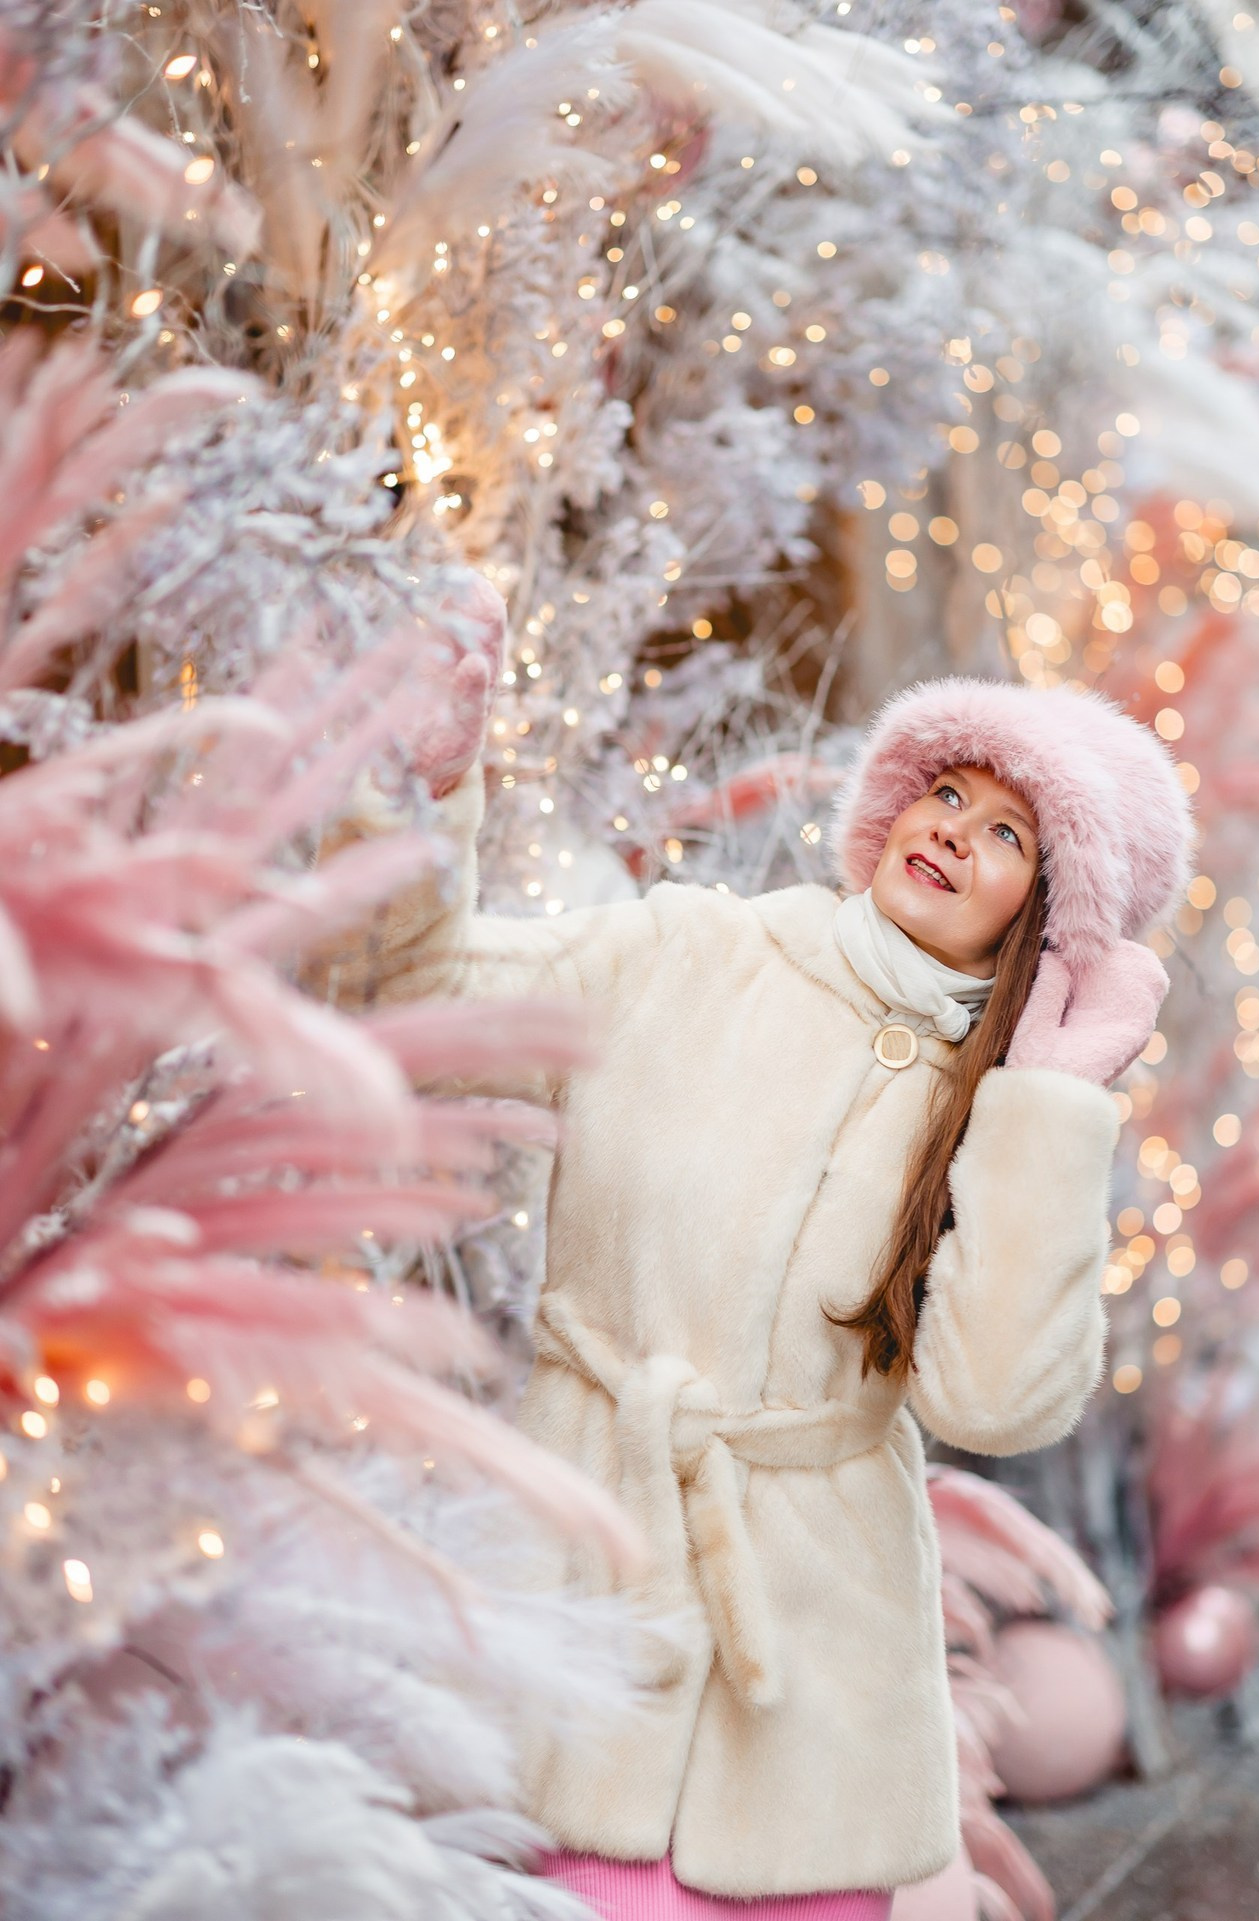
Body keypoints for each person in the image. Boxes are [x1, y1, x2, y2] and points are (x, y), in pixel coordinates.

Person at [314, 591, 1193, 1919]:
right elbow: (409, 996)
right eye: (946, 790)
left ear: (1050, 917)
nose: (954, 827)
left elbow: (995, 1401)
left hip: (815, 1688)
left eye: (1008, 831)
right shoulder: (690, 952)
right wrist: (419, 790)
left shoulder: (1004, 1119)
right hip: (591, 1596)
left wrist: (1056, 1094)